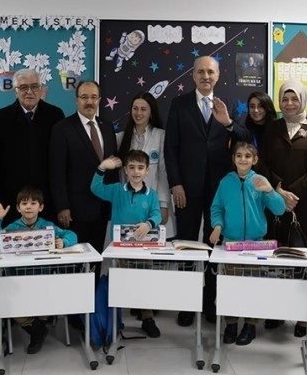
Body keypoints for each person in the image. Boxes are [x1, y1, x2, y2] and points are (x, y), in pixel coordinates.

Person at [164, 55, 252, 326]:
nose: (205, 76)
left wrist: (228, 123)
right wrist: (175, 183)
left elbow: (245, 141)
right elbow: (171, 148)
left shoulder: (229, 105)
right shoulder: (179, 104)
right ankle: (187, 303)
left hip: (219, 190)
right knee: (187, 244)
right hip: (186, 189)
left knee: (215, 245)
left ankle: (211, 301)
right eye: (200, 72)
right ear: (193, 75)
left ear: (218, 75)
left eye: (210, 72)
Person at [258, 79, 307, 337]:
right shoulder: (272, 129)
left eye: (294, 98)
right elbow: (262, 164)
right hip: (275, 206)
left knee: (305, 261)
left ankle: (303, 317)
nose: (289, 104)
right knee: (277, 261)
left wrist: (293, 193)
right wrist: (279, 190)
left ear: (303, 100)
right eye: (284, 99)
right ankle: (277, 311)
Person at [209, 142, 286, 346]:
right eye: (239, 156)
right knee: (230, 286)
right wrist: (217, 226)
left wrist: (270, 191)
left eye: (247, 156)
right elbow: (216, 208)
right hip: (230, 244)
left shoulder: (260, 181)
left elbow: (280, 209)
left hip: (256, 245)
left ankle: (250, 325)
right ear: (233, 159)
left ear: (255, 160)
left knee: (253, 286)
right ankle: (231, 324)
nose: (243, 159)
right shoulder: (226, 182)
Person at [0, 187, 78, 354]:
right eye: (24, 203)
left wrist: (63, 242)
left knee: (45, 300)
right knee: (10, 305)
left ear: (40, 207)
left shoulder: (48, 226)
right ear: (18, 208)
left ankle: (39, 328)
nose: (28, 206)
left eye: (33, 203)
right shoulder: (12, 227)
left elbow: (72, 235)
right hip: (18, 281)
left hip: (43, 280)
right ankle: (37, 330)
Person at [91, 150, 162, 338]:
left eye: (140, 168)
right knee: (119, 284)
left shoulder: (152, 195)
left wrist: (149, 224)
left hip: (144, 251)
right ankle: (114, 321)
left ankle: (147, 318)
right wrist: (101, 168)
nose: (136, 172)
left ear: (147, 170)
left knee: (144, 284)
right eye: (132, 167)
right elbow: (95, 188)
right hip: (120, 250)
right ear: (126, 170)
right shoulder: (117, 190)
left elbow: (157, 214)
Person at [50, 80, 118, 256]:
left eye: (94, 97)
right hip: (75, 211)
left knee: (96, 258)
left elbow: (112, 170)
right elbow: (57, 172)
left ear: (99, 100)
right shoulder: (62, 128)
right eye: (84, 97)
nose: (89, 102)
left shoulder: (107, 127)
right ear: (76, 100)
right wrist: (62, 207)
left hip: (102, 207)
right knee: (75, 260)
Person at [0, 69, 64, 227]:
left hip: (47, 201)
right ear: (15, 91)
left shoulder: (55, 115)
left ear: (41, 89)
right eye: (23, 87)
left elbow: (60, 161)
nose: (29, 92)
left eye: (34, 86)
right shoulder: (1, 118)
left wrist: (62, 204)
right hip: (11, 201)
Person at [117, 92, 174, 238]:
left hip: (153, 203)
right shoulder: (121, 138)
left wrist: (163, 204)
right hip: (129, 204)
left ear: (151, 112)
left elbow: (163, 173)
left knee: (153, 244)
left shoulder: (161, 136)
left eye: (143, 109)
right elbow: (121, 176)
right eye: (135, 108)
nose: (138, 113)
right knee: (129, 243)